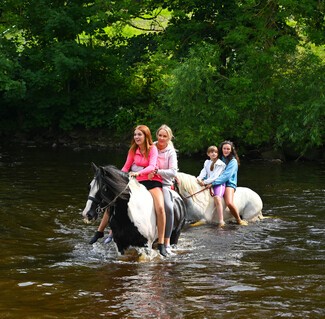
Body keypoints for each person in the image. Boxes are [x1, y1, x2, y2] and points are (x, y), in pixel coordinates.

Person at [121, 125, 168, 257]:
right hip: (137, 182)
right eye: (135, 134)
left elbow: (152, 166)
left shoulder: (153, 149)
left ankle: (162, 243)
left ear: (146, 136)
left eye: (139, 135)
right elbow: (125, 167)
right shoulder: (133, 149)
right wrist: (118, 177)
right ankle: (110, 233)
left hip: (152, 181)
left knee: (160, 208)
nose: (136, 137)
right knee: (118, 200)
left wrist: (138, 173)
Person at [149, 124, 178, 255]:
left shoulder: (171, 152)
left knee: (168, 207)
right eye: (160, 135)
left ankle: (166, 242)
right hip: (148, 180)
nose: (161, 138)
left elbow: (173, 172)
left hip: (164, 183)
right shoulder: (151, 146)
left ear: (169, 138)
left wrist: (157, 171)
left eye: (164, 136)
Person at [211, 141, 248, 226]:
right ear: (221, 149)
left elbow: (226, 176)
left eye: (228, 149)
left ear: (231, 150)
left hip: (229, 184)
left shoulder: (233, 161)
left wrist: (213, 183)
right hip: (217, 182)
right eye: (224, 148)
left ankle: (239, 220)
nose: (226, 150)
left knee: (229, 202)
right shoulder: (219, 158)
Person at [197, 145, 226, 227]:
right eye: (211, 152)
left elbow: (215, 176)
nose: (214, 154)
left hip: (218, 184)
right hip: (208, 182)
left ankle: (221, 220)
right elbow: (204, 172)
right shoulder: (207, 162)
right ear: (208, 154)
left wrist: (205, 182)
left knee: (217, 198)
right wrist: (199, 179)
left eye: (215, 152)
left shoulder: (220, 164)